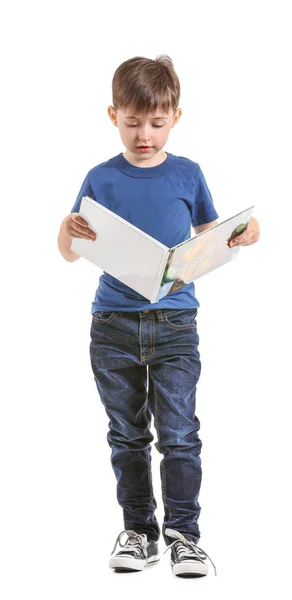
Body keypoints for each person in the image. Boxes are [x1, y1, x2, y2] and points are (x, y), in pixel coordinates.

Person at [57, 55, 260, 578]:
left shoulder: (187, 173)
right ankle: (139, 532)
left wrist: (247, 233)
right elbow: (69, 251)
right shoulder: (101, 177)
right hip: (113, 325)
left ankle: (184, 537)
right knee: (126, 434)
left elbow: (213, 233)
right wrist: (67, 229)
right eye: (132, 122)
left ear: (175, 116)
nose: (144, 134)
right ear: (113, 115)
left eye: (156, 122)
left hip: (175, 325)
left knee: (179, 435)